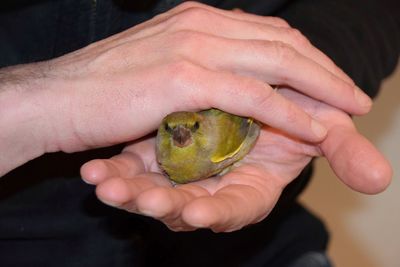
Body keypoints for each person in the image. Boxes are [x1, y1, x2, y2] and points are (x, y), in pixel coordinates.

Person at [0, 0, 398, 266]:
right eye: (174, 132)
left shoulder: (217, 140)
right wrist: (35, 101)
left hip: (259, 249)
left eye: (186, 130)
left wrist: (299, 65)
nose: (181, 138)